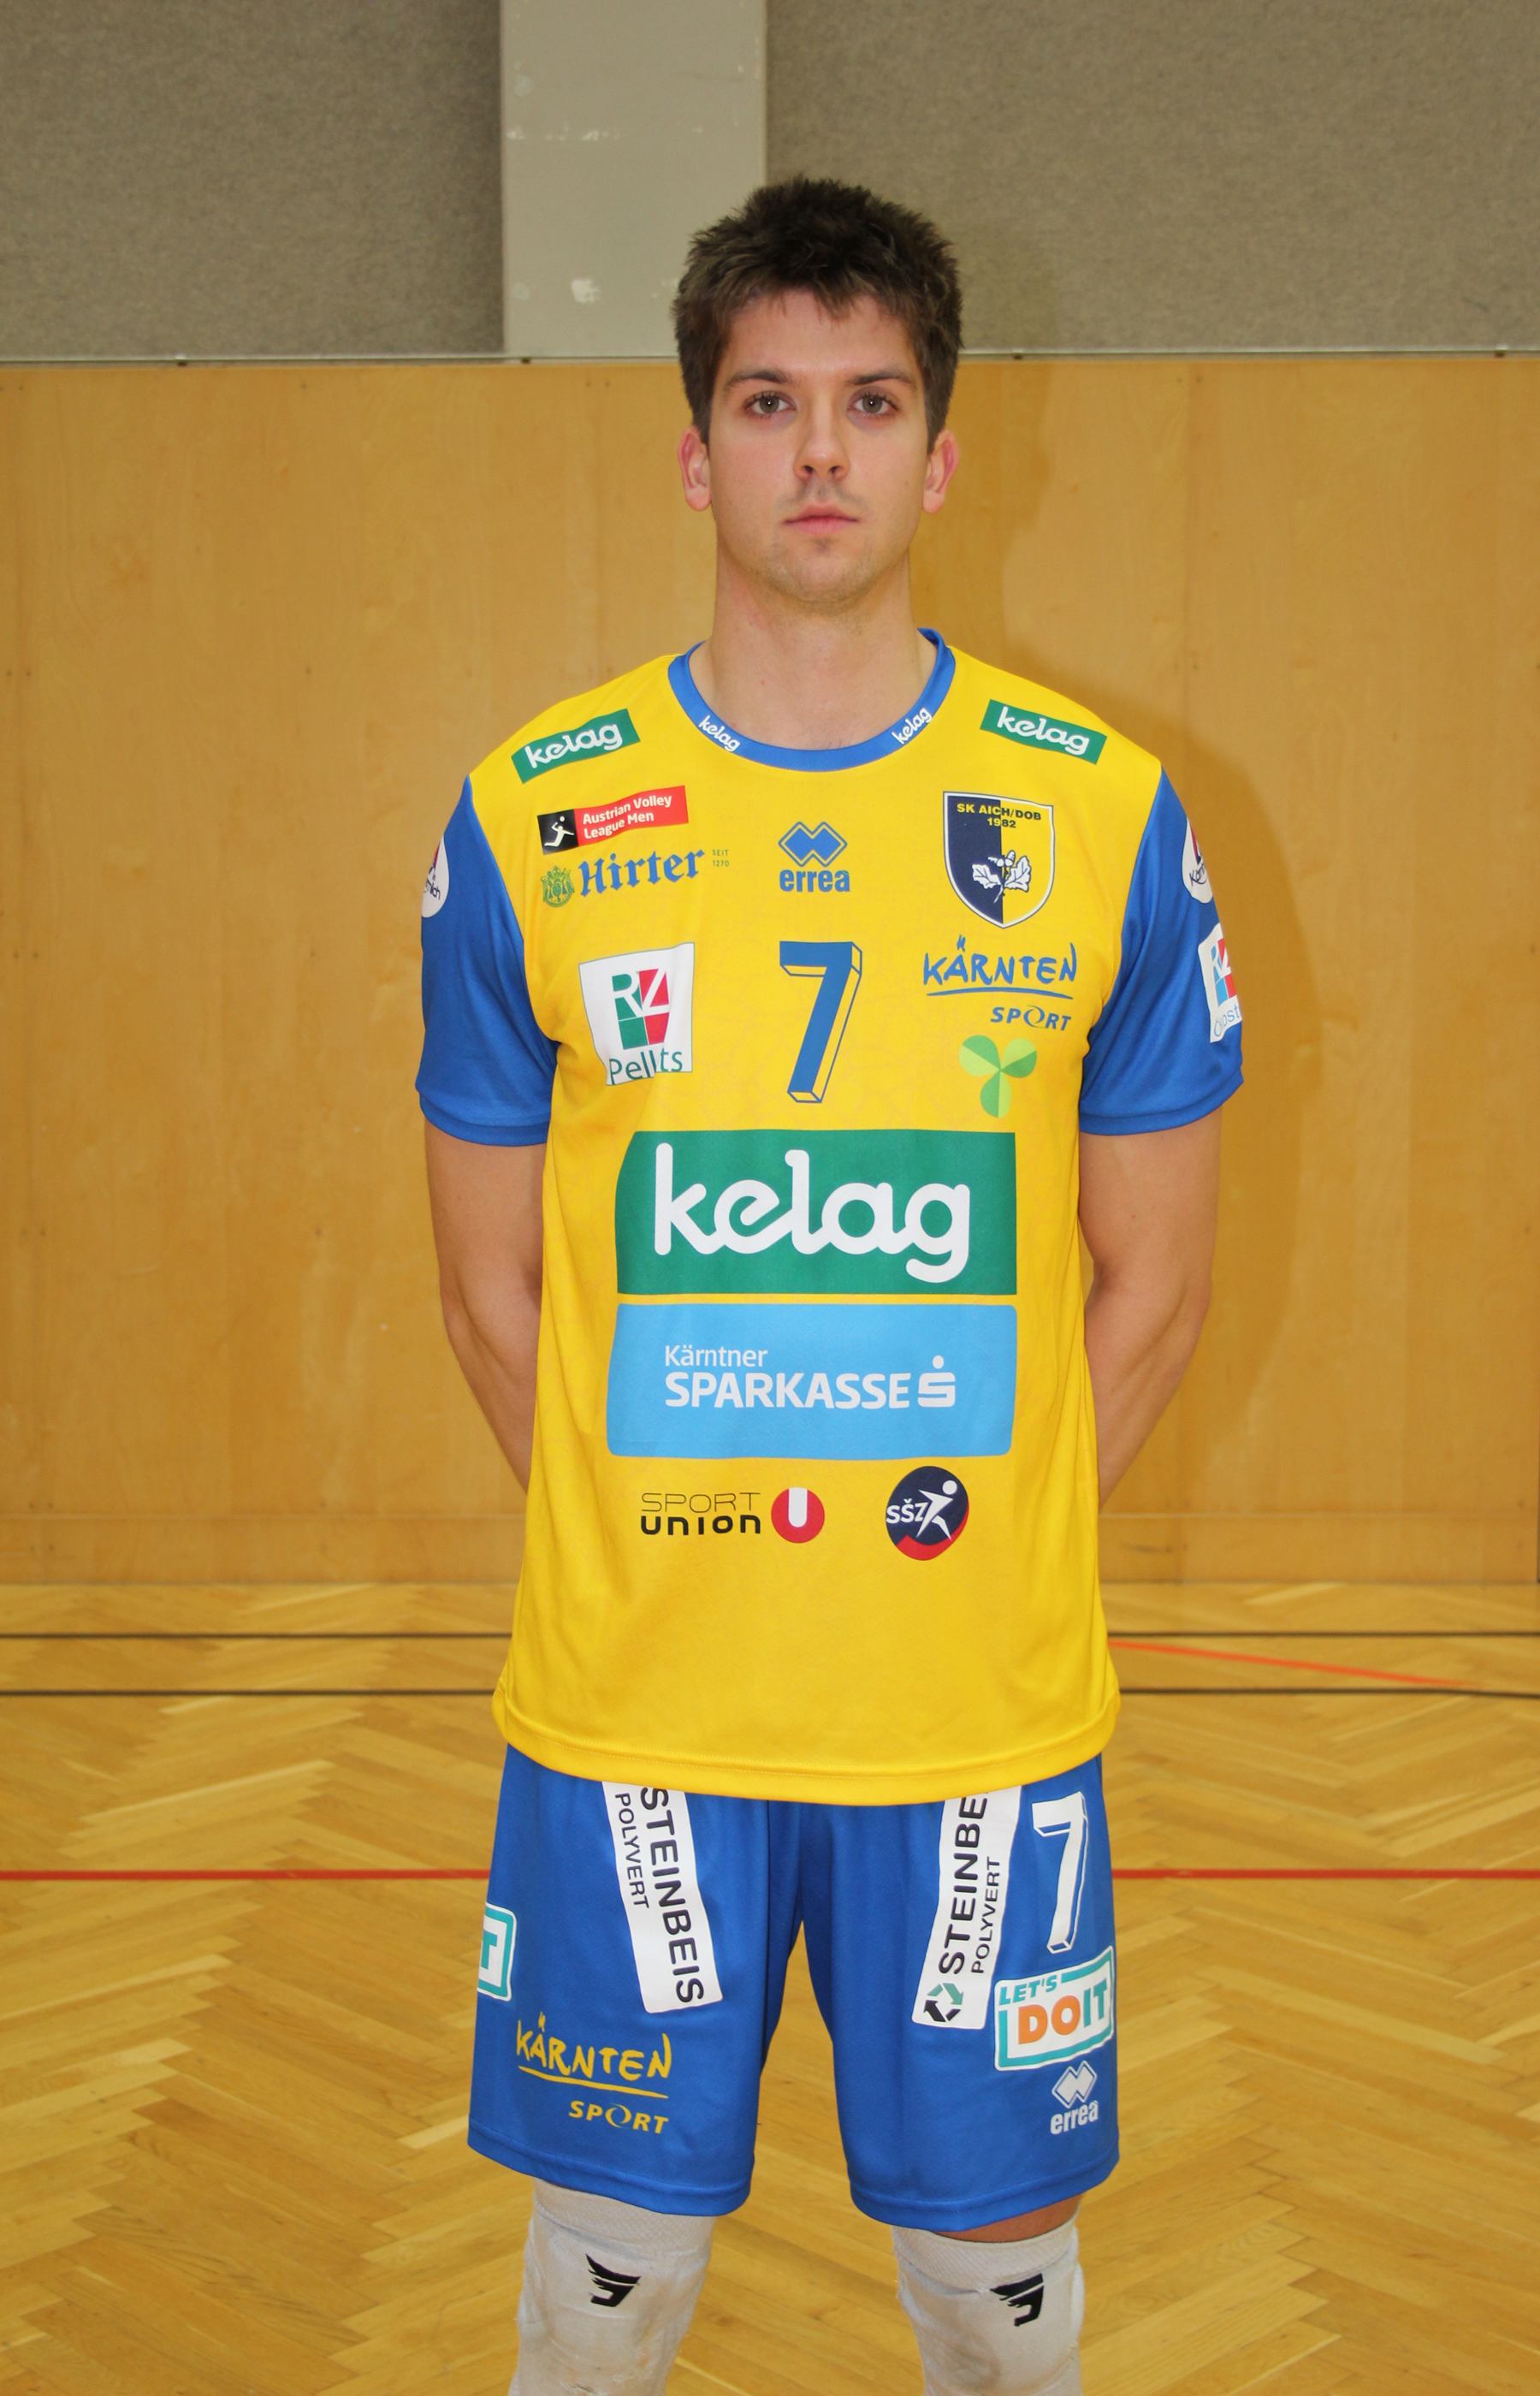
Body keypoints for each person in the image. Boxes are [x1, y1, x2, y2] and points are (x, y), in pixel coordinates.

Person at [418, 175, 1241, 2396]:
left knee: (994, 2296)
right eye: (768, 401)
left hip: (971, 1714)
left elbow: (1153, 1289)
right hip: (636, 1714)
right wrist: (656, 1545)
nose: (818, 451)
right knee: (608, 2291)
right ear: (695, 450)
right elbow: (489, 1291)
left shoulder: (1101, 816)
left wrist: (968, 1553)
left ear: (942, 456)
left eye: (870, 403)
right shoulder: (533, 816)